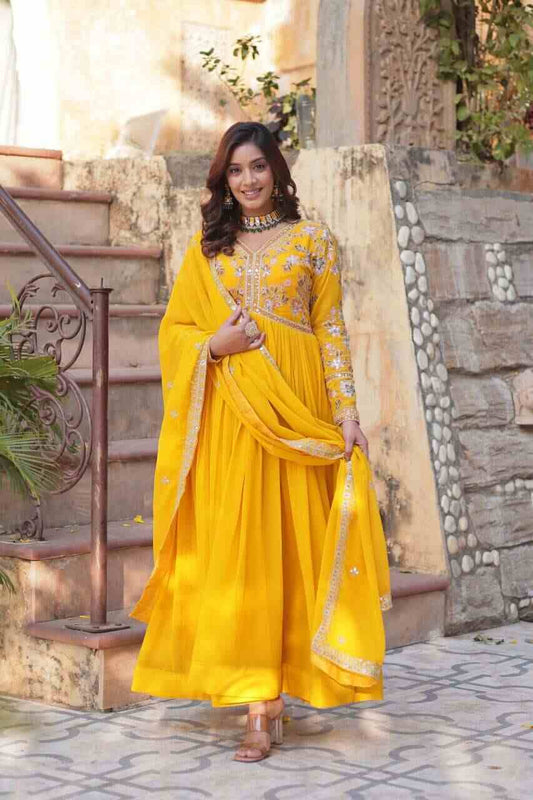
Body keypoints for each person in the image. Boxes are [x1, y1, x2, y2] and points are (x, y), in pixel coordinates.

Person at [130, 121, 391, 763]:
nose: (247, 181)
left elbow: (330, 327)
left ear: (277, 170)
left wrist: (348, 411)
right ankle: (257, 703)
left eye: (258, 167)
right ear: (224, 180)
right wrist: (211, 347)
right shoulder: (208, 249)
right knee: (244, 551)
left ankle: (287, 683)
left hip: (299, 410)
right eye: (236, 171)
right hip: (232, 415)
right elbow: (177, 331)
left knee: (291, 550)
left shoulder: (312, 240)